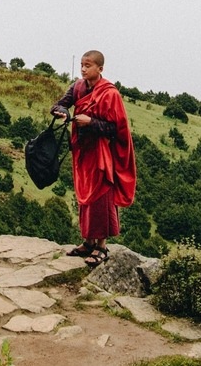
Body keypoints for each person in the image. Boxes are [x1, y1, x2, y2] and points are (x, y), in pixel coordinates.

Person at [51, 50, 136, 267]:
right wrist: (62, 112)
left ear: (100, 68)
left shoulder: (110, 94)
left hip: (101, 153)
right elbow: (60, 104)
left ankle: (101, 246)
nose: (83, 69)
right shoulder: (78, 87)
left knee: (101, 197)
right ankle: (88, 242)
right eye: (82, 65)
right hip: (83, 151)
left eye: (88, 65)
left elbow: (115, 129)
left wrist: (90, 122)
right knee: (85, 196)